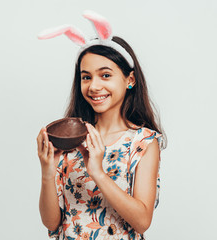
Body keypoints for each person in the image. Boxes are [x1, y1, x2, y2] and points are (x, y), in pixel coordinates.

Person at [36, 10, 167, 240]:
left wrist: (97, 172)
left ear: (130, 79)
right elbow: (52, 223)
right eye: (86, 77)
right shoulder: (70, 140)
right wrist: (47, 172)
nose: (94, 86)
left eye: (105, 75)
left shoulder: (143, 142)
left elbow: (142, 221)